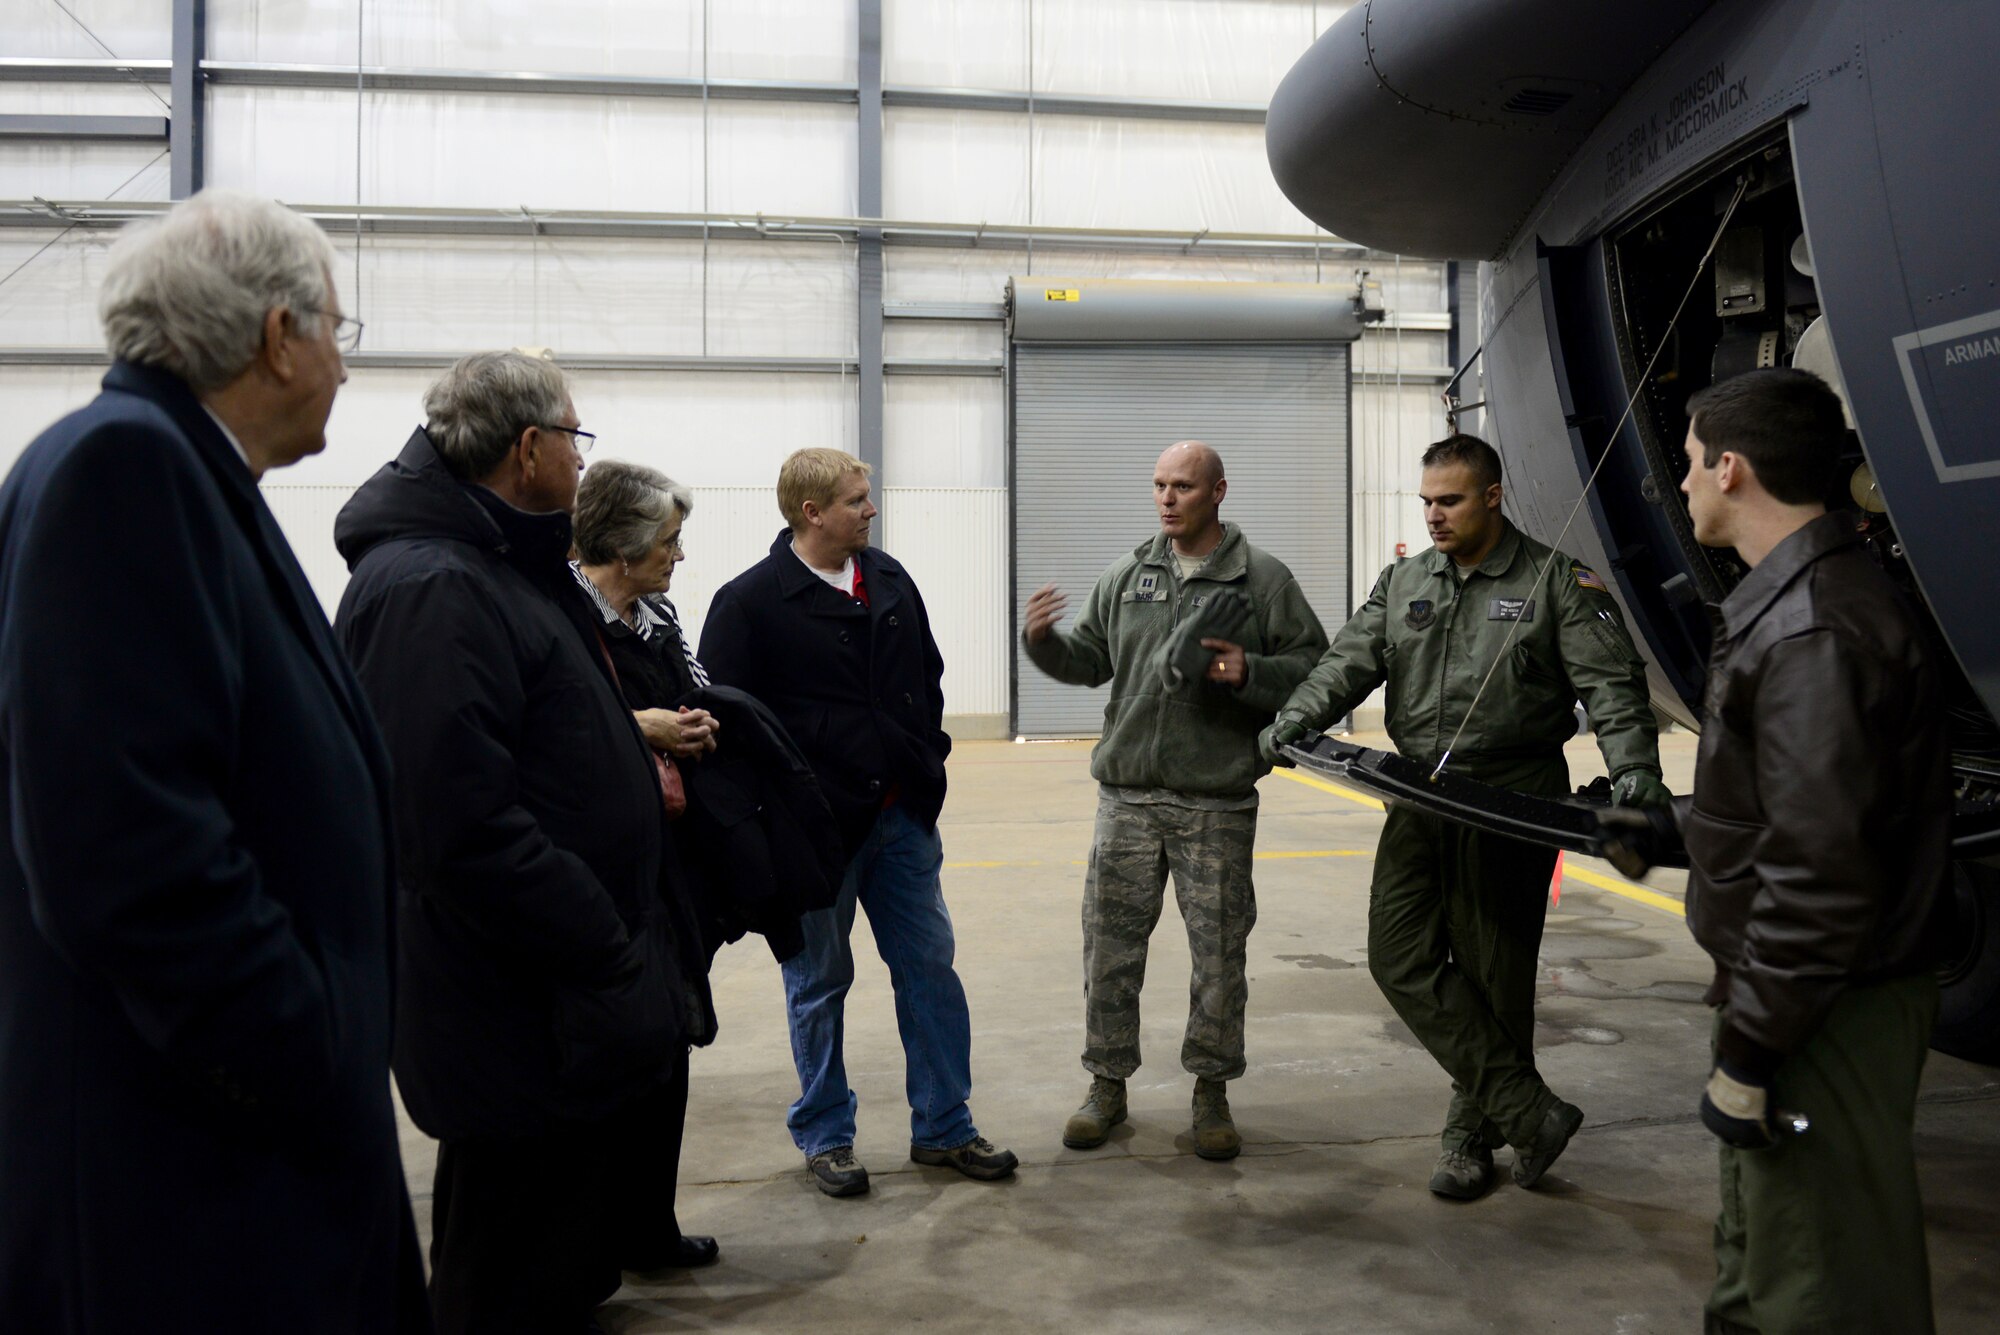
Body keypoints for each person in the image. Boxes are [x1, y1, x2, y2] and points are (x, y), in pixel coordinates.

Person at [0, 191, 429, 1331]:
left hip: (221, 1139)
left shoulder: (169, 464)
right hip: (192, 1167)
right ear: (277, 336)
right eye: (339, 330)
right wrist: (305, 1047)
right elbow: (127, 854)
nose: (342, 363)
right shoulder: (125, 470)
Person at [335, 353, 700, 1333]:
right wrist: (598, 934)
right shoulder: (434, 588)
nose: (585, 464)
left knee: (537, 1242)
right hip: (513, 994)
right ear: (529, 448)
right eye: (576, 441)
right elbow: (452, 826)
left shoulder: (490, 568)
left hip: (546, 994)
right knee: (505, 1266)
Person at [1597, 368, 1949, 1333]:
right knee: (1764, 1255)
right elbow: (1806, 805)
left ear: (1733, 469)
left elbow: (1822, 873)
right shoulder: (1801, 601)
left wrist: (1750, 1050)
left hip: (1822, 1002)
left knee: (1825, 1282)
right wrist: (1672, 829)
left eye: (1688, 464)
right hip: (1802, 989)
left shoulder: (1814, 629)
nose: (1681, 485)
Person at [1260, 432, 1667, 1201]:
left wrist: (1637, 773)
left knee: (1494, 973)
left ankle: (1470, 1137)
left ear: (1490, 497)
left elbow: (1612, 686)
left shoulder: (1555, 582)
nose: (1435, 515)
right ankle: (1530, 1111)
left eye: (1449, 501)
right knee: (1398, 954)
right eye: (1427, 502)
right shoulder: (1408, 578)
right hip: (1420, 794)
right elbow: (1348, 660)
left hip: (1512, 801)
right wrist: (1294, 717)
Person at [700, 447, 1017, 1197]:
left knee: (930, 967)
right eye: (855, 499)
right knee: (818, 980)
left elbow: (927, 679)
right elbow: (728, 723)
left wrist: (924, 756)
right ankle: (825, 1133)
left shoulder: (892, 581)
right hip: (815, 831)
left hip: (900, 817)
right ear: (812, 512)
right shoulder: (748, 603)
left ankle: (944, 1126)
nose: (870, 509)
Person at [1022, 440, 1328, 1159]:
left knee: (1218, 956)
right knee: (1110, 950)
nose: (1166, 498)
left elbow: (1317, 668)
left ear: (1219, 491)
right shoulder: (1131, 575)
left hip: (1213, 802)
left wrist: (1246, 668)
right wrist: (1041, 642)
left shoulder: (1263, 582)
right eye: (1159, 484)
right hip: (1127, 796)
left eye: (1182, 486)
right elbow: (1088, 660)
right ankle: (1106, 1083)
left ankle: (1212, 1091)